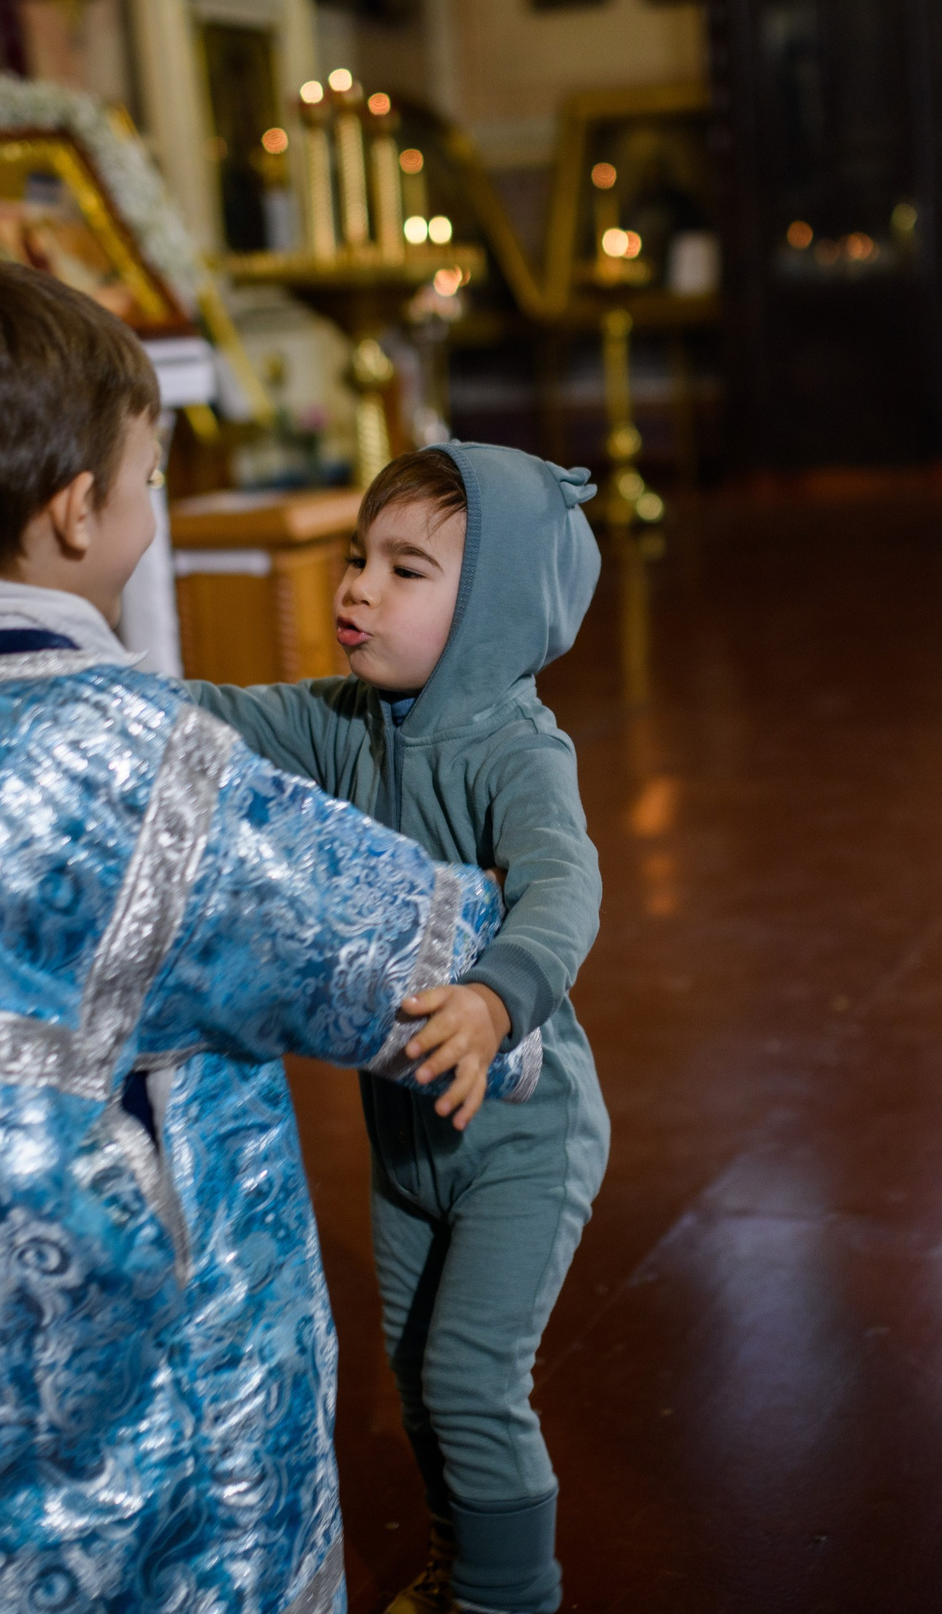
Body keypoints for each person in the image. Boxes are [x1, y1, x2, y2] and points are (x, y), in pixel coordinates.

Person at [0, 258, 531, 1614]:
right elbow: (381, 948)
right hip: (99, 1388)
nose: (152, 500)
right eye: (152, 472)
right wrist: (505, 924)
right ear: (75, 508)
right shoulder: (138, 763)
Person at [187, 444, 609, 1614]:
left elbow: (564, 884)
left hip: (522, 1135)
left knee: (472, 1378)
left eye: (405, 569)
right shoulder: (345, 724)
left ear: (490, 613)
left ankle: (510, 1600)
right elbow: (219, 717)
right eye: (357, 557)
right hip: (409, 1137)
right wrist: (85, 689)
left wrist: (493, 995)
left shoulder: (516, 750)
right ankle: (459, 1564)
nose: (358, 587)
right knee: (418, 1382)